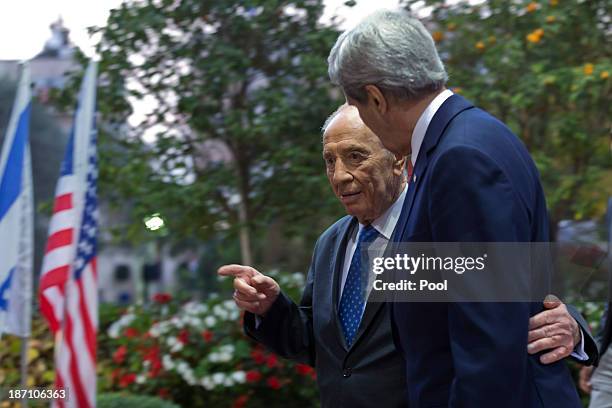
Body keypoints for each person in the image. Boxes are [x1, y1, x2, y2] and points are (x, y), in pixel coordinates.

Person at [219, 105, 596, 407]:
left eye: (355, 156)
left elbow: (507, 307)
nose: (340, 175)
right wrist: (270, 308)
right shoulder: (330, 243)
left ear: (398, 159)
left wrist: (573, 328)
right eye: (330, 161)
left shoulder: (434, 231)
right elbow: (324, 347)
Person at [328, 9, 597, 407]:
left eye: (360, 109)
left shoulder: (460, 158)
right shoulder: (472, 138)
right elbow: (476, 285)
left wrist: (566, 322)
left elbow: (486, 335)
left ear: (376, 98)